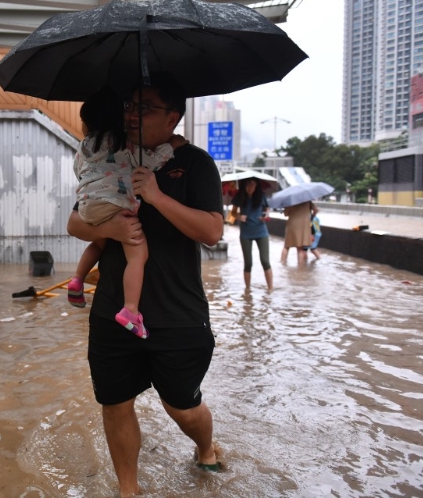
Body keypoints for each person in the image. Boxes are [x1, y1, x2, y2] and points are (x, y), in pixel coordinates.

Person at [67, 74, 225, 497]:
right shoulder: (110, 154)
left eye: (146, 107)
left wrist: (156, 196)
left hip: (177, 313)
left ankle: (206, 445)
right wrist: (114, 231)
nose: (132, 114)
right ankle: (128, 489)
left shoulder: (194, 163)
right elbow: (75, 222)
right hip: (113, 311)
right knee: (115, 403)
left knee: (182, 407)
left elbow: (211, 231)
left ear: (174, 116)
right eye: (129, 105)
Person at [66, 87, 174, 340]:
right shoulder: (127, 145)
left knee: (99, 243)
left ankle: (77, 280)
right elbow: (151, 162)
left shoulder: (83, 147)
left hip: (87, 205)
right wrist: (171, 147)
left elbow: (79, 172)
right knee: (138, 255)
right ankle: (131, 311)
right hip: (116, 204)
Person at [230, 178, 273, 290]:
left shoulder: (261, 195)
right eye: (248, 185)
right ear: (244, 185)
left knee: (265, 260)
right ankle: (247, 290)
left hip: (261, 230)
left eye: (253, 185)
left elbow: (267, 208)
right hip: (246, 232)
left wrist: (266, 215)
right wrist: (239, 217)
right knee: (248, 263)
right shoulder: (239, 196)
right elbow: (232, 213)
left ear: (256, 186)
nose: (250, 188)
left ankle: (270, 288)